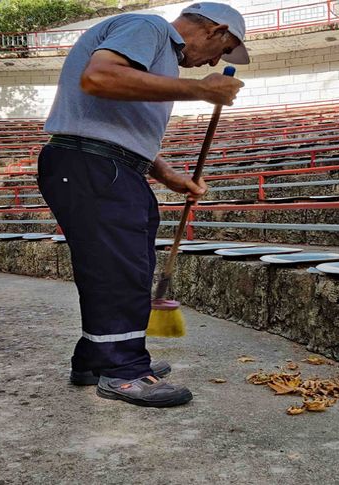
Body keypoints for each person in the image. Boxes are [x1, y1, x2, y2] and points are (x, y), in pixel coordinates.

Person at [39, 2, 248, 407]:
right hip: (93, 162)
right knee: (120, 268)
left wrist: (168, 176)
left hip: (107, 163)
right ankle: (123, 370)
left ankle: (96, 360)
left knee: (120, 264)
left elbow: (118, 127)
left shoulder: (159, 55)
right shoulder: (149, 27)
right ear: (216, 30)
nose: (215, 60)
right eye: (223, 50)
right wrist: (200, 89)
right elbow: (99, 78)